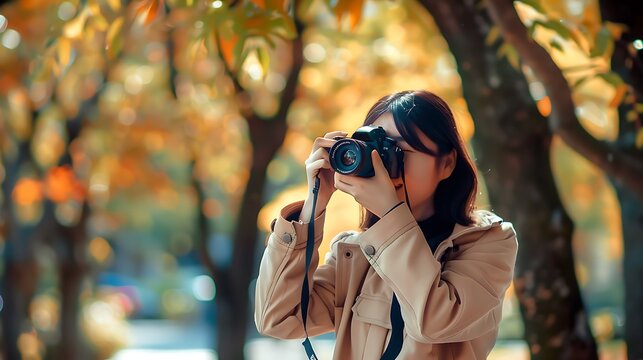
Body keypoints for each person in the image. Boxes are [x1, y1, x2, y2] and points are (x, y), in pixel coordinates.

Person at [254, 90, 518, 359]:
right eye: (376, 150)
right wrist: (313, 207)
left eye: (400, 150)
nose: (383, 163)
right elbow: (277, 318)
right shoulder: (356, 254)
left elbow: (434, 322)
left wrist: (390, 212)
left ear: (447, 164)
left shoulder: (489, 242)